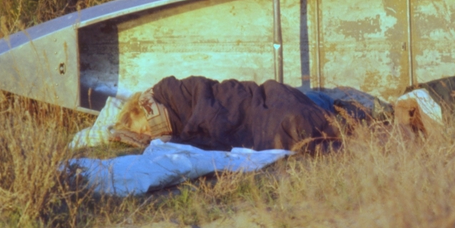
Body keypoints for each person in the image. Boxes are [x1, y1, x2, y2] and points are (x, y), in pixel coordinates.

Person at [110, 75, 340, 152]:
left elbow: (206, 99)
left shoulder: (170, 92)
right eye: (145, 135)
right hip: (247, 119)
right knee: (285, 124)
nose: (150, 132)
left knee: (288, 112)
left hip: (245, 99)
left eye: (144, 126)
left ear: (141, 109)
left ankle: (334, 116)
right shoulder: (172, 133)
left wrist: (188, 134)